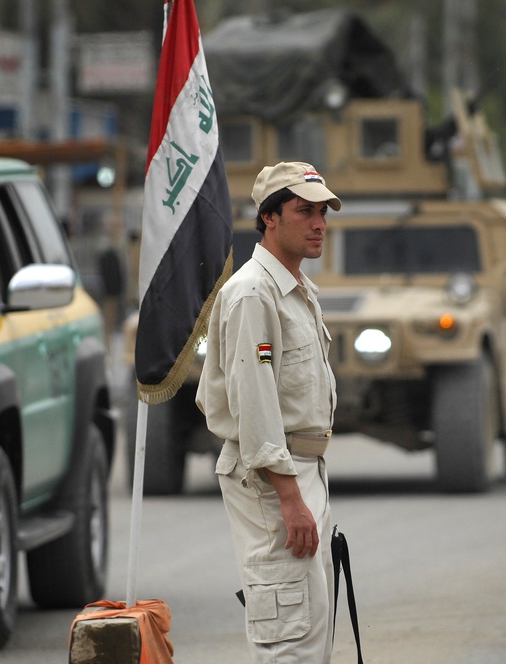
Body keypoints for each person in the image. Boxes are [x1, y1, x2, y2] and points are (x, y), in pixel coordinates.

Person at [196, 161, 341, 663]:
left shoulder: (295, 288)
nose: (319, 222)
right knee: (290, 634)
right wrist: (290, 498)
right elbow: (254, 402)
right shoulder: (253, 293)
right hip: (274, 479)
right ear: (269, 217)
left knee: (313, 627)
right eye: (305, 211)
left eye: (323, 211)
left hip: (302, 469)